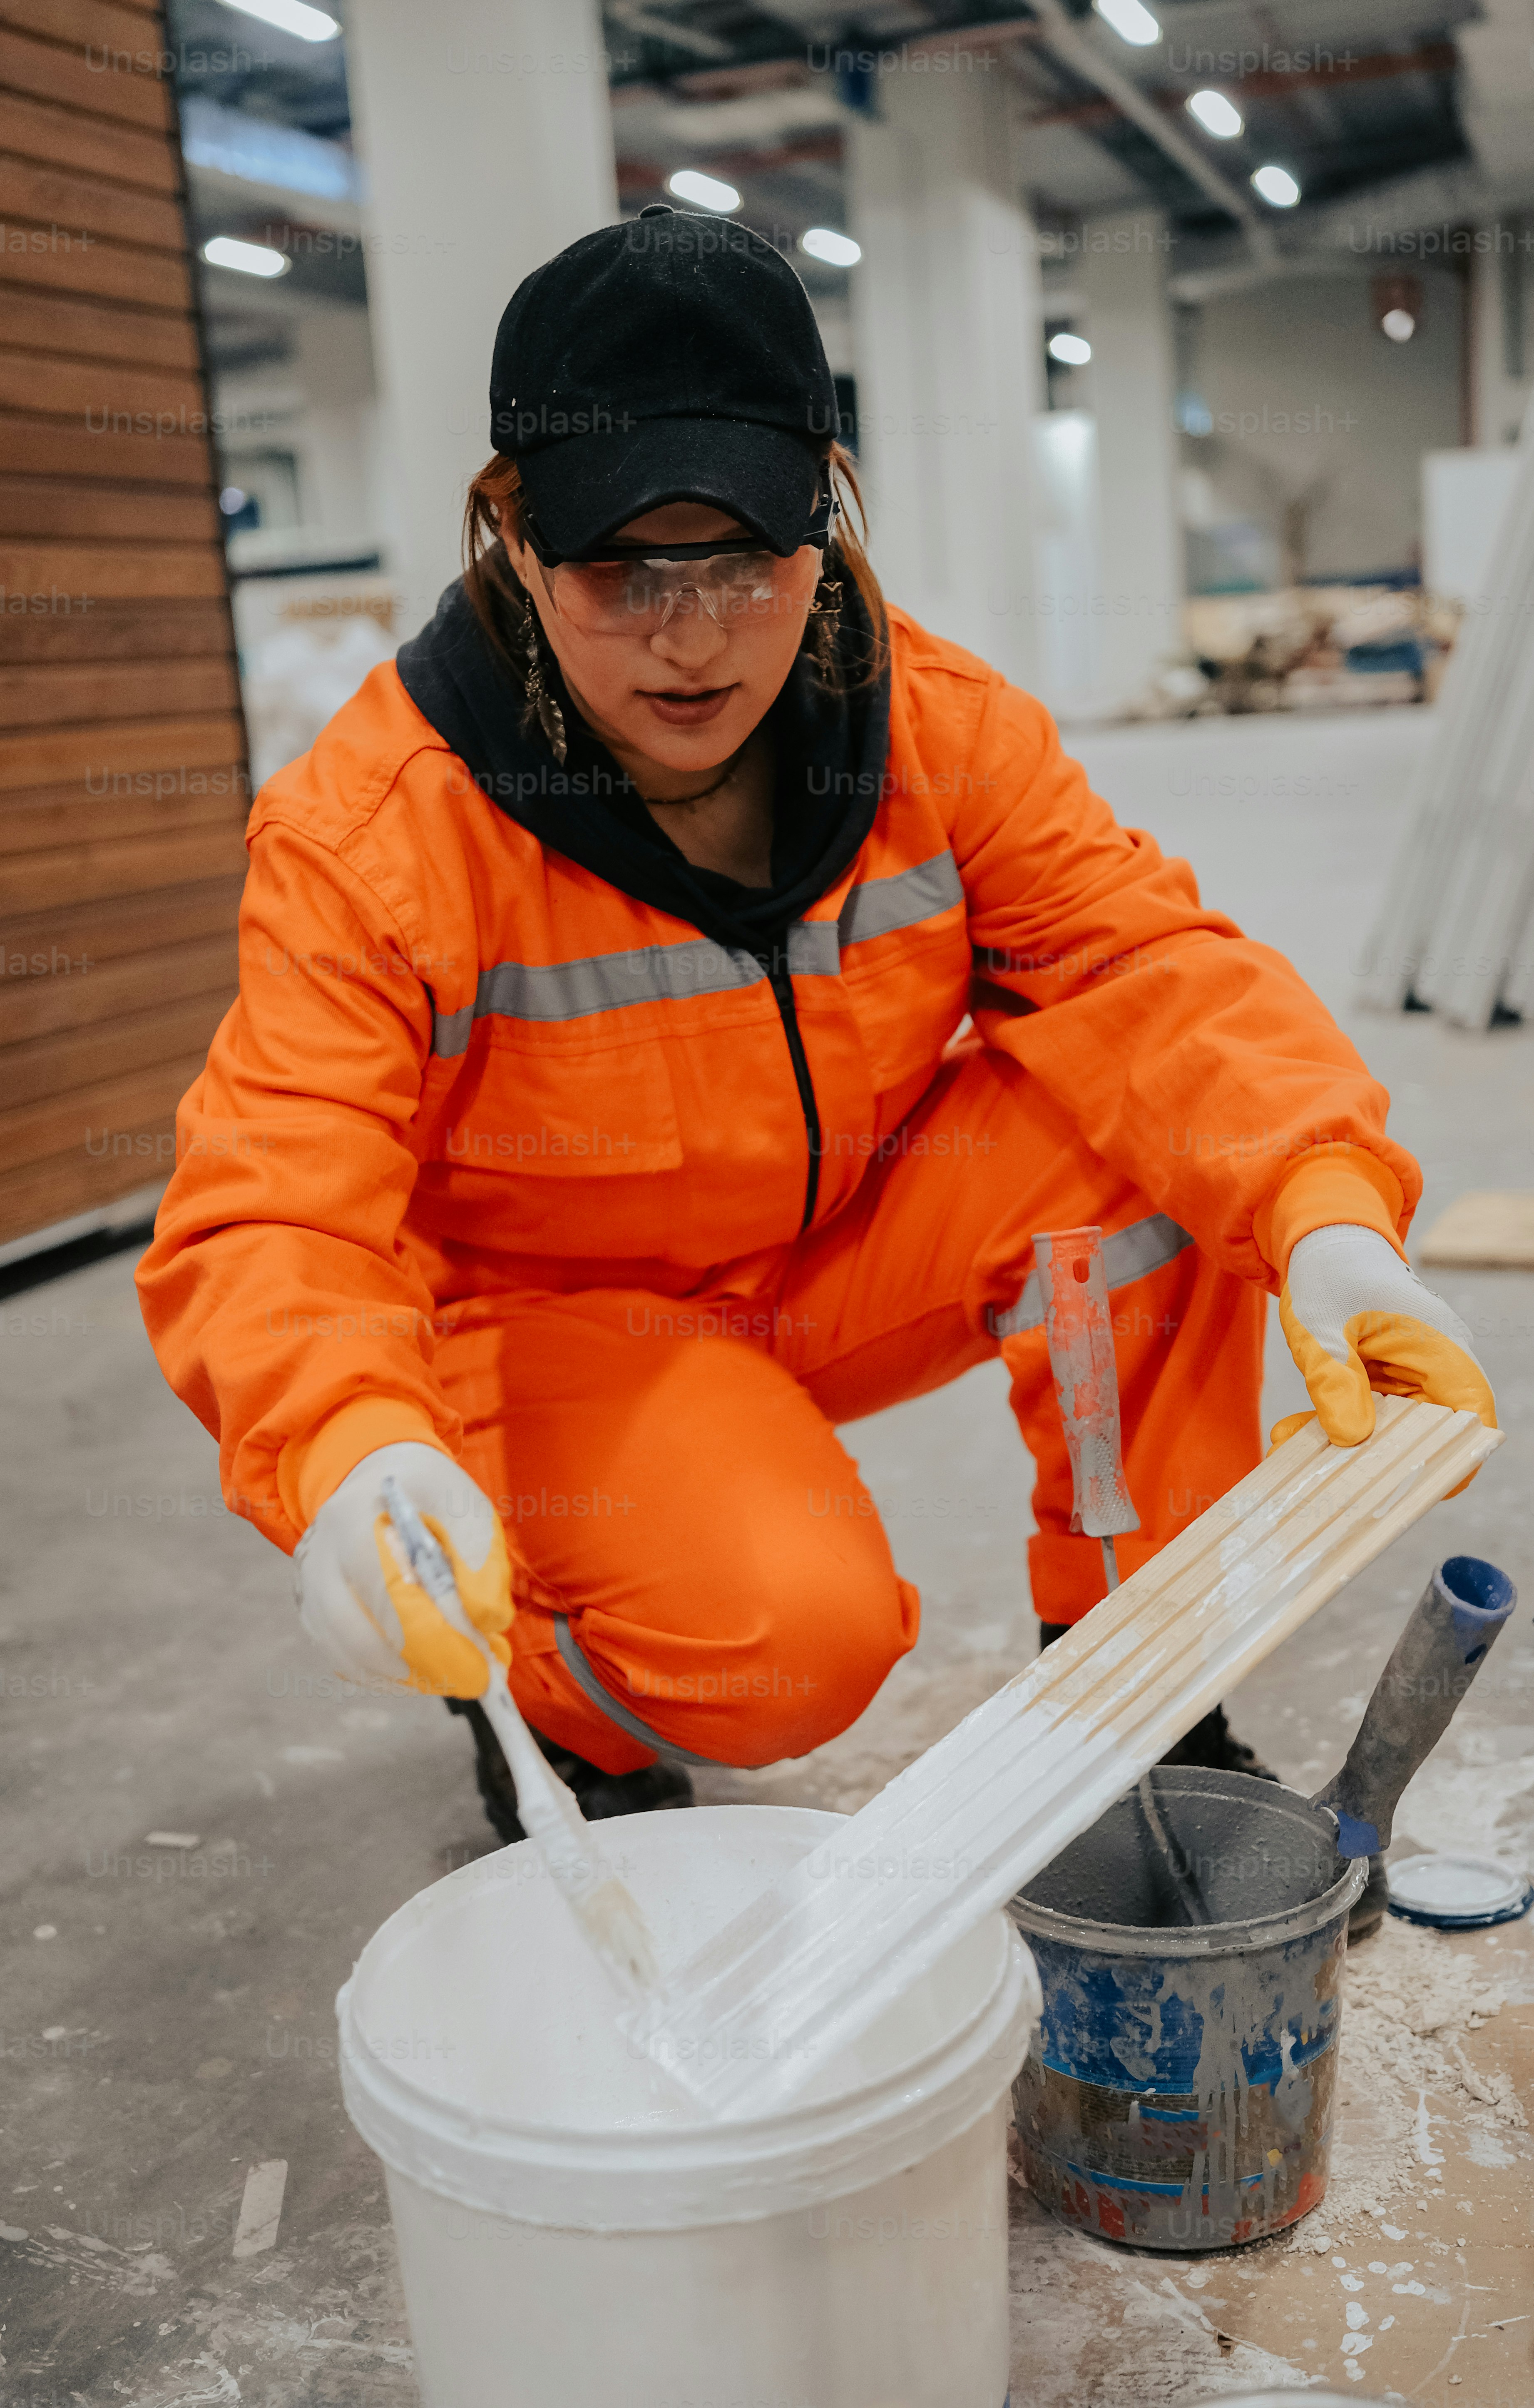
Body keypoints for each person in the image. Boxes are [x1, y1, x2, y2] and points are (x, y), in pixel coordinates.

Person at [138, 207, 1495, 1878]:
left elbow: (1149, 972)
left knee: (1139, 1153)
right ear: (509, 530)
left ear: (824, 511)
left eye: (745, 563)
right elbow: (277, 1200)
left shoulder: (931, 727)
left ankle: (1138, 1681)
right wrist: (348, 1446)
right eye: (624, 572)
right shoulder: (380, 830)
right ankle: (564, 1696)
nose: (692, 637)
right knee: (792, 1644)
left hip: (848, 1242)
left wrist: (1328, 1220)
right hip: (565, 1320)